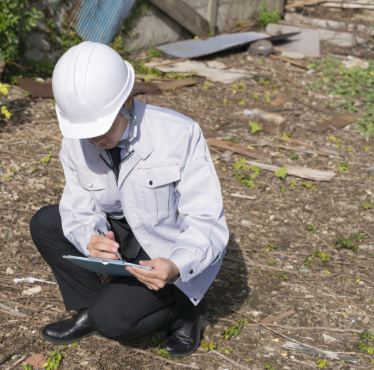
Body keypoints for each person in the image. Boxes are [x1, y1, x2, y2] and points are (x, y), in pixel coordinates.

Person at [29, 41, 229, 357]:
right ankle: (89, 308)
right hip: (124, 235)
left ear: (128, 100)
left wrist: (177, 266)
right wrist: (91, 240)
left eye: (102, 125)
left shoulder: (179, 134)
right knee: (46, 223)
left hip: (166, 249)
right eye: (86, 129)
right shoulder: (76, 140)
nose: (94, 137)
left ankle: (185, 309)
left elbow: (206, 219)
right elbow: (79, 205)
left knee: (113, 322)